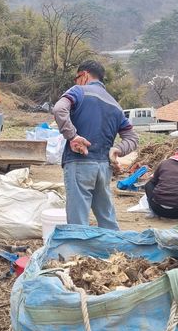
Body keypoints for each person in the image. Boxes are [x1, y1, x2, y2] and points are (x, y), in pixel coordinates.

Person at [53, 59, 139, 229]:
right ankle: (114, 245)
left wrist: (73, 136)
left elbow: (59, 109)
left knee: (78, 222)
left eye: (77, 78)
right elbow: (133, 138)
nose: (76, 82)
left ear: (84, 75)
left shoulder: (78, 91)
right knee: (107, 218)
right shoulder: (115, 105)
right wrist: (117, 150)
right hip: (104, 168)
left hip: (80, 163)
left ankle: (79, 246)